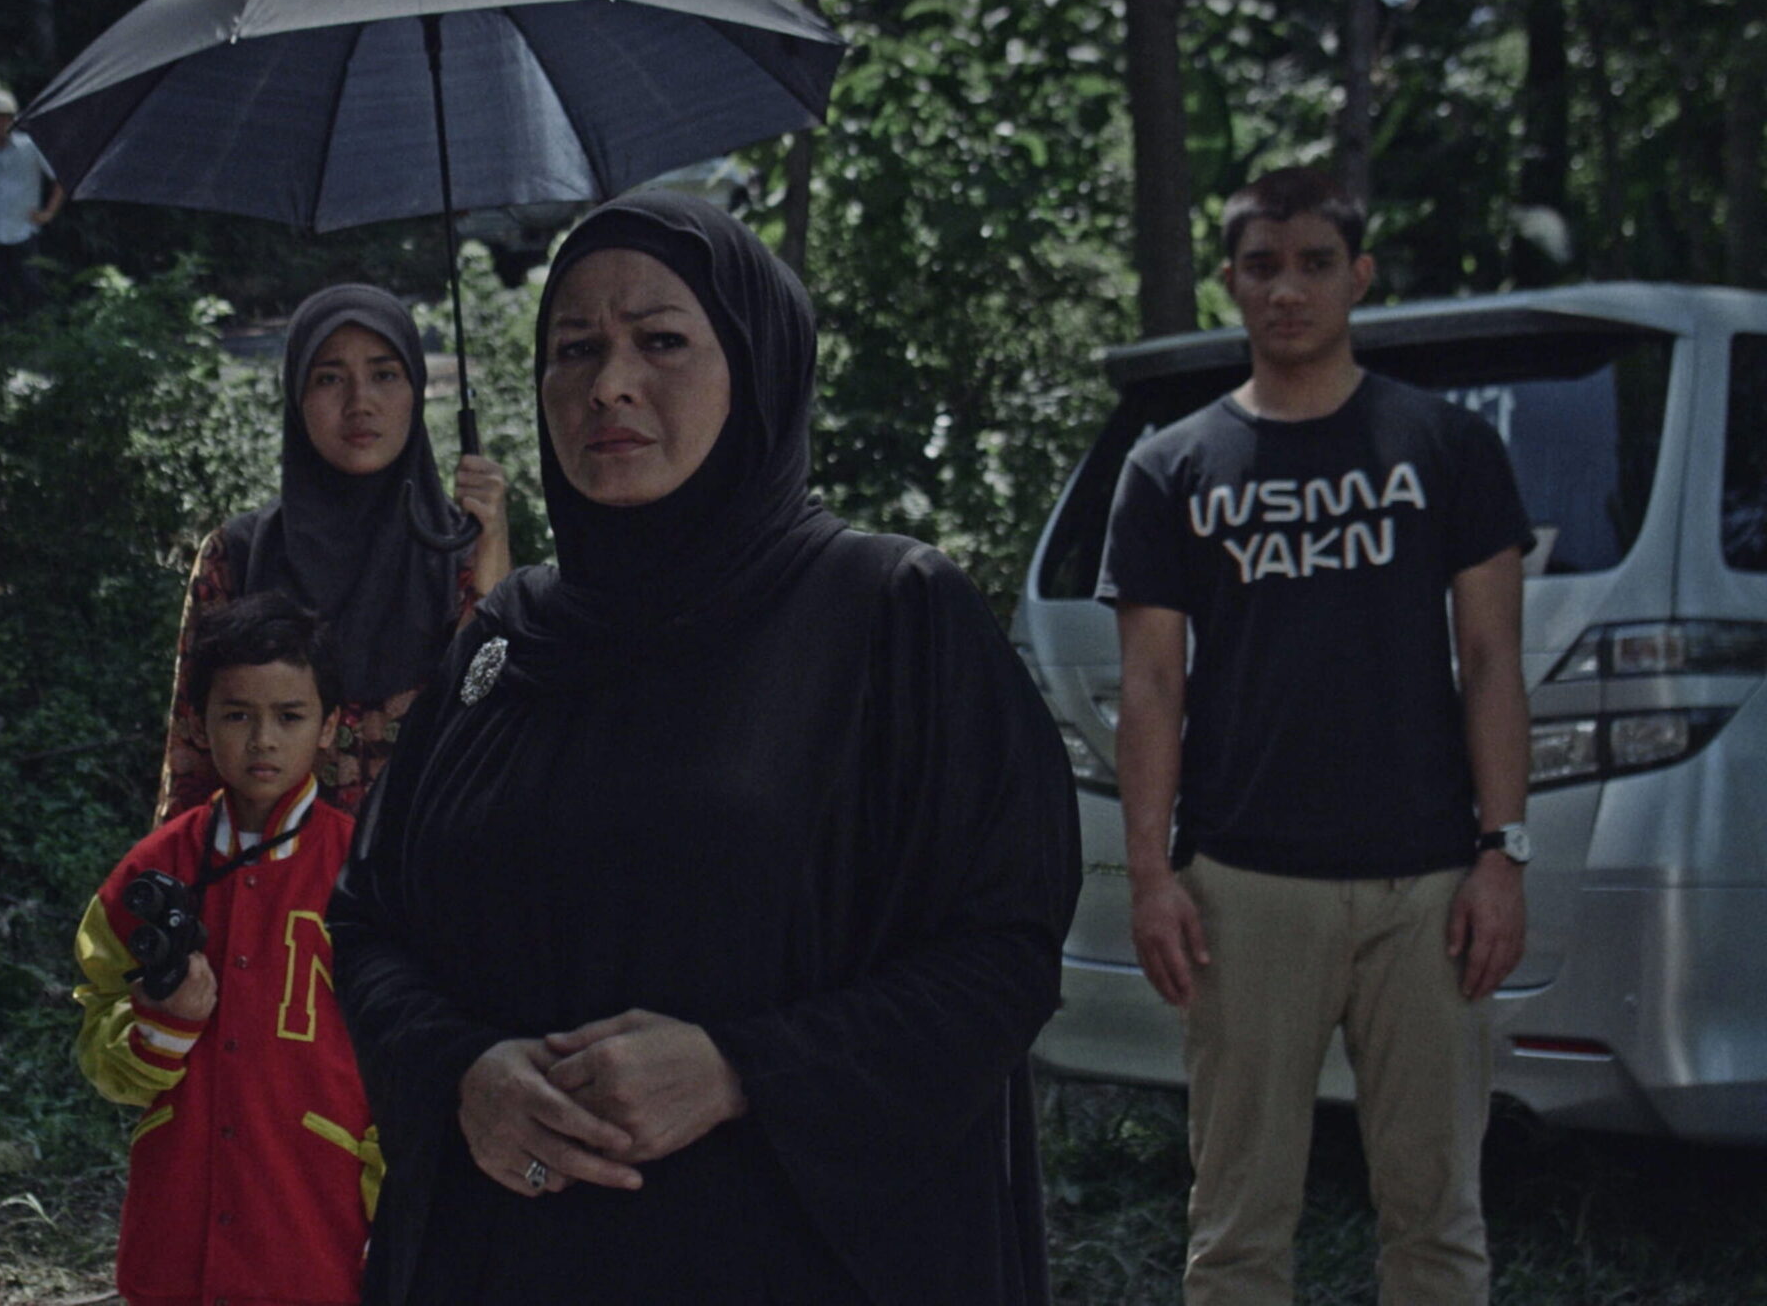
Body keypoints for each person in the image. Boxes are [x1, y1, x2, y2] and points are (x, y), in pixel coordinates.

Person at [328, 192, 1082, 1305]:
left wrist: (742, 1071)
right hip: (508, 1257)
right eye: (574, 348)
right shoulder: (506, 641)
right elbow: (370, 919)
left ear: (756, 365)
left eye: (661, 341)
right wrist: (460, 1074)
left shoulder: (885, 615)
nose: (609, 383)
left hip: (788, 1259)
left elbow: (1001, 950)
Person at [1098, 166, 1532, 1306]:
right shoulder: (1171, 466)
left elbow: (1493, 660)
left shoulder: (1444, 445)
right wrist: (1151, 877)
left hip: (1427, 885)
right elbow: (1150, 687)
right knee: (1237, 1230)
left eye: (1314, 264)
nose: (1287, 290)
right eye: (1262, 267)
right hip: (1244, 888)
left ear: (1359, 276)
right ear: (1231, 281)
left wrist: (1503, 853)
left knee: (1438, 1223)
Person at [75, 593, 378, 1306]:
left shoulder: (367, 874)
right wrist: (159, 1024)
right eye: (237, 715)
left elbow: (406, 1059)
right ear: (201, 720)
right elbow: (99, 1040)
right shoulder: (152, 870)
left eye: (290, 716)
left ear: (330, 726)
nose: (262, 740)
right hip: (178, 1218)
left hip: (315, 1219)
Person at [154, 284, 511, 823]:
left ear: (416, 391)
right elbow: (192, 758)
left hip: (430, 864)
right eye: (328, 378)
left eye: (385, 375)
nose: (359, 402)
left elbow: (501, 736)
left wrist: (495, 558)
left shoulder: (465, 549)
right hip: (272, 868)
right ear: (296, 397)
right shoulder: (238, 556)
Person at [0, 89, 65, 313]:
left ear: (13, 119)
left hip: (22, 230)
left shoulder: (30, 146)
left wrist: (49, 213)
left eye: (4, 118)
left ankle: (36, 329)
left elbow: (60, 180)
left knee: (31, 289)